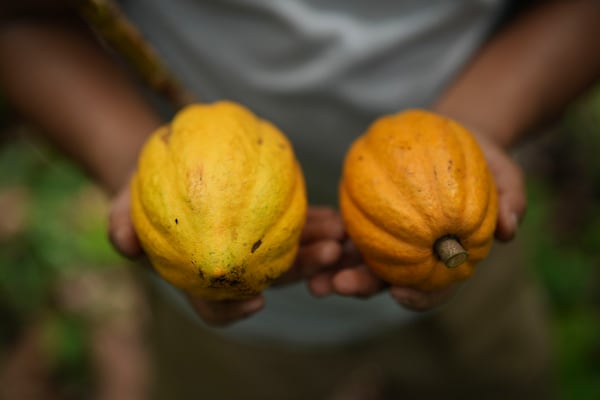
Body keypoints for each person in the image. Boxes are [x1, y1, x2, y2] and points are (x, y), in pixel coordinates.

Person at [1, 0, 599, 398]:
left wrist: (480, 123)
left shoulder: (458, 224)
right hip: (225, 314)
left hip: (471, 237)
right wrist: (126, 151)